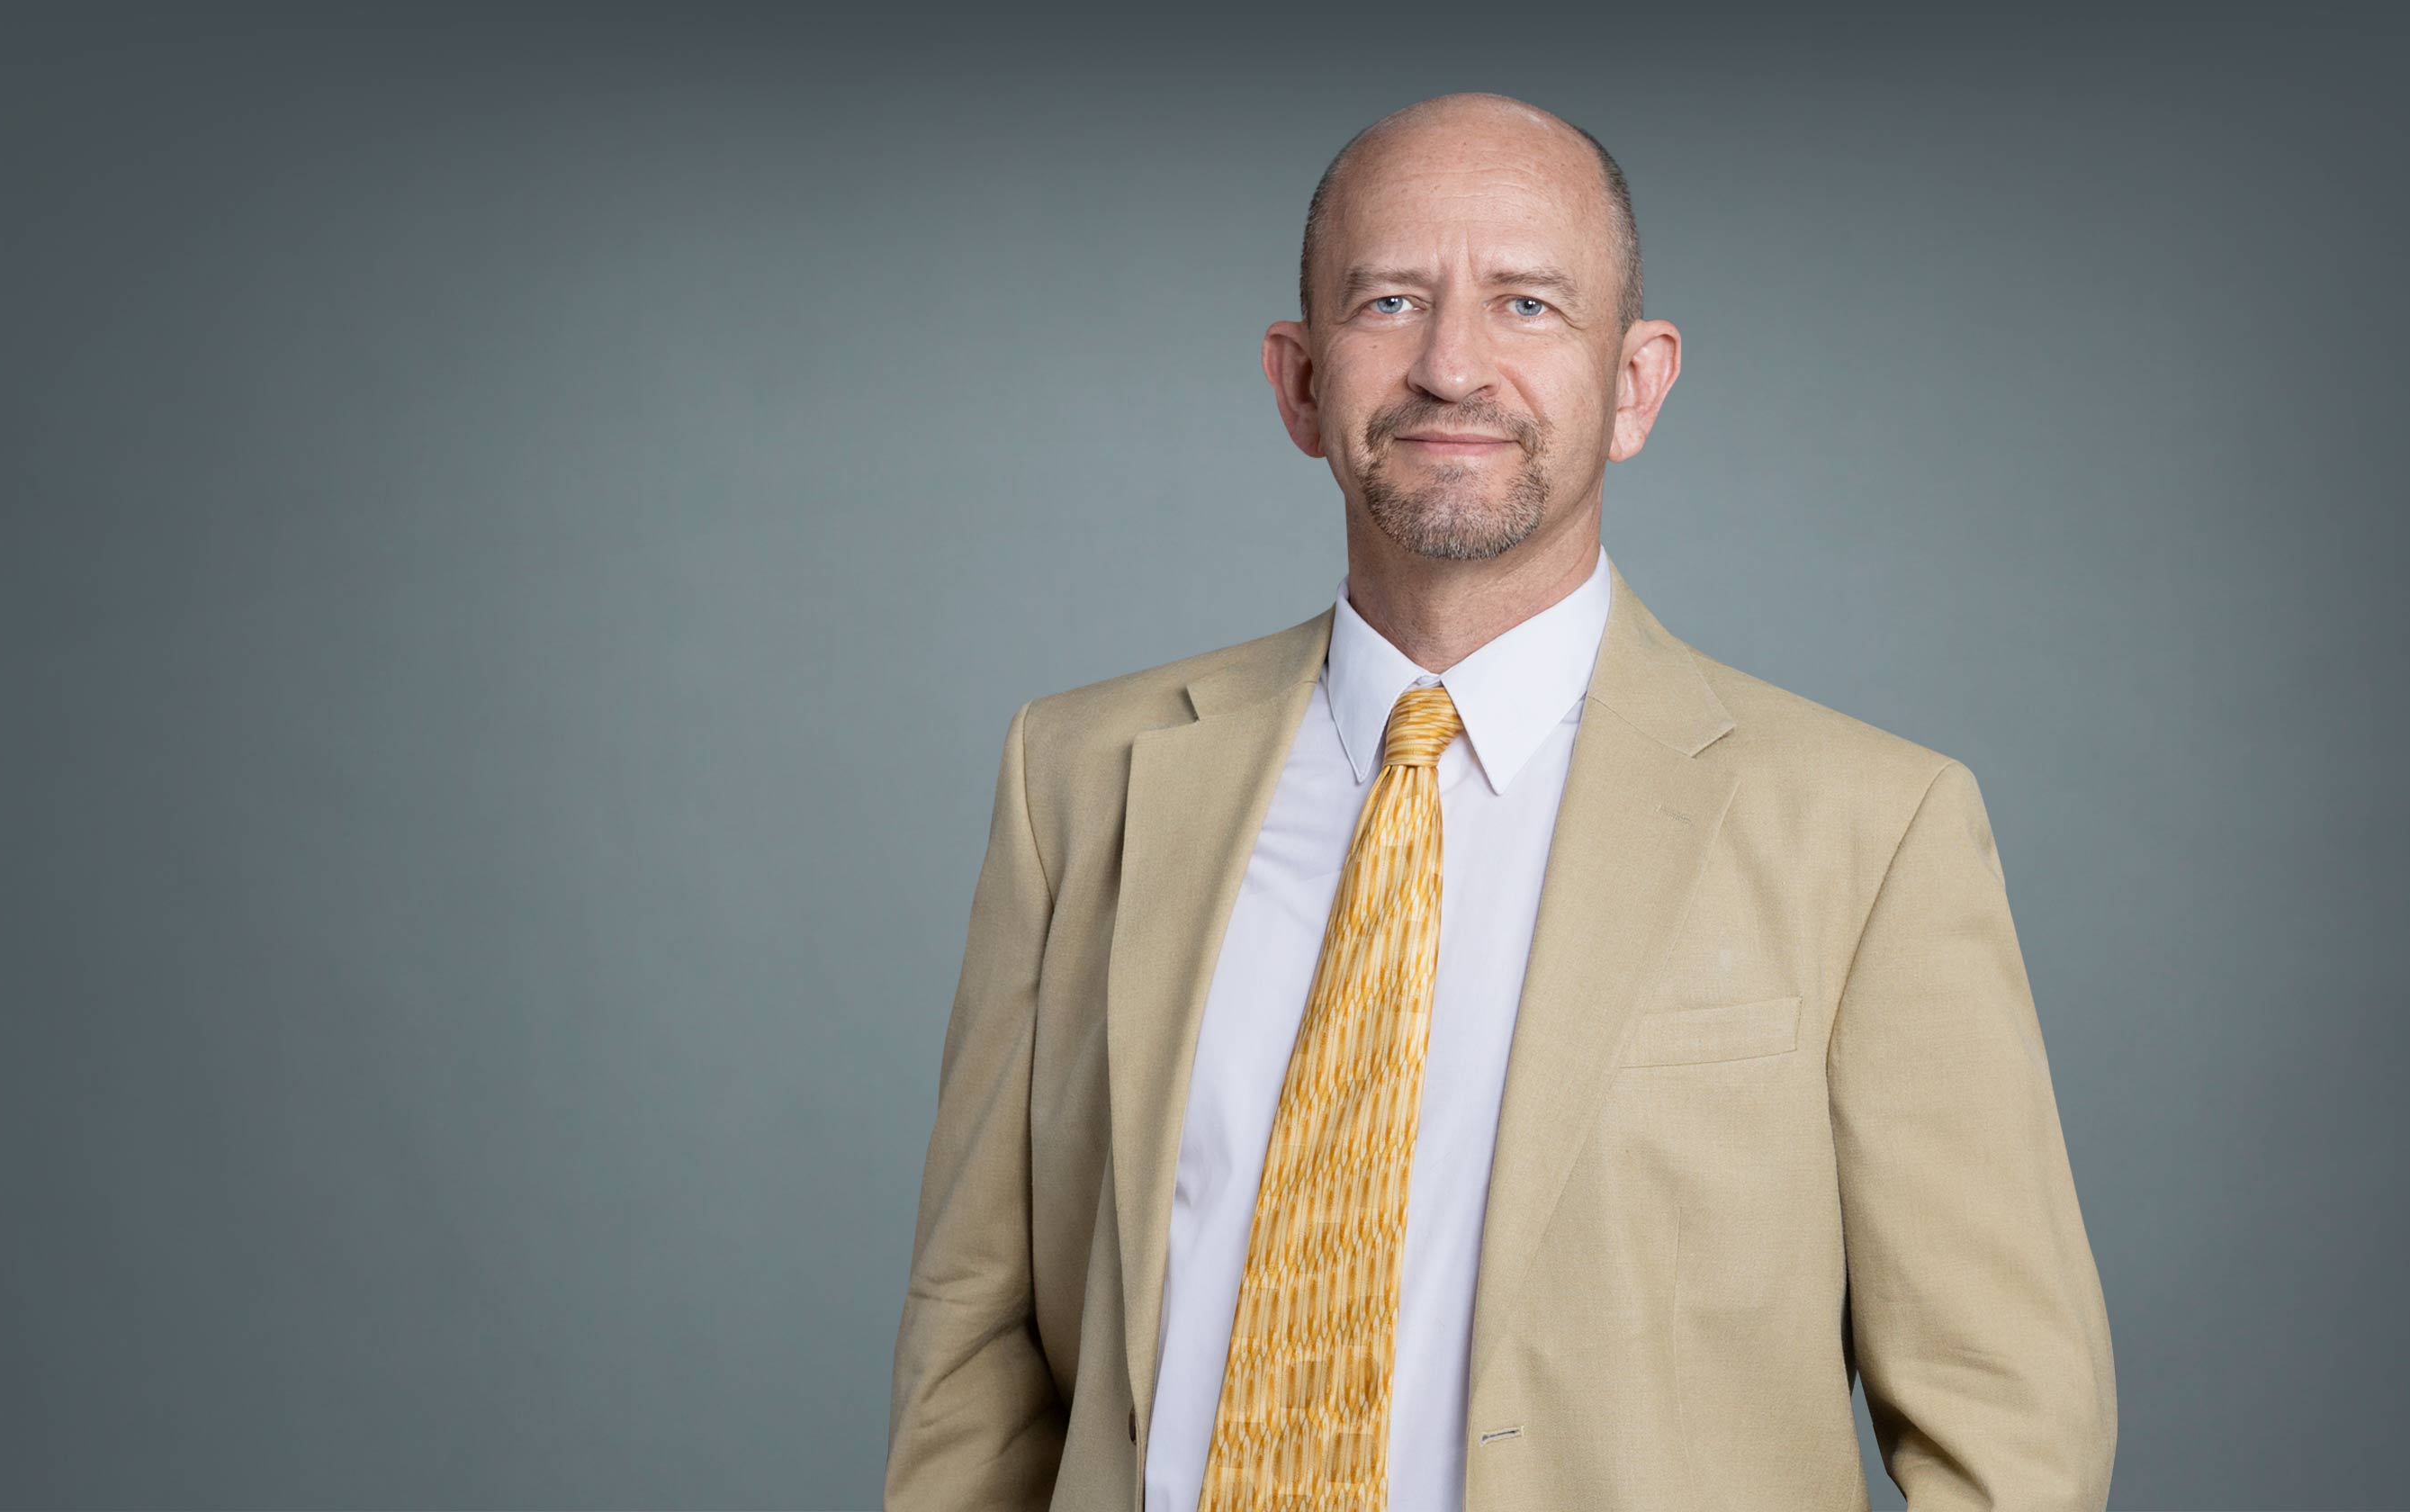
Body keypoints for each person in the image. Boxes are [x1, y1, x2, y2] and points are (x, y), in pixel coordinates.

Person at [884, 91, 2116, 1512]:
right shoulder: (1079, 778)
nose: (1452, 366)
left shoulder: (1870, 833)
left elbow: (2011, 1424)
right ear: (1299, 381)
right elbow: (974, 1351)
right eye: (1390, 301)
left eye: (1528, 304)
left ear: (1637, 384)